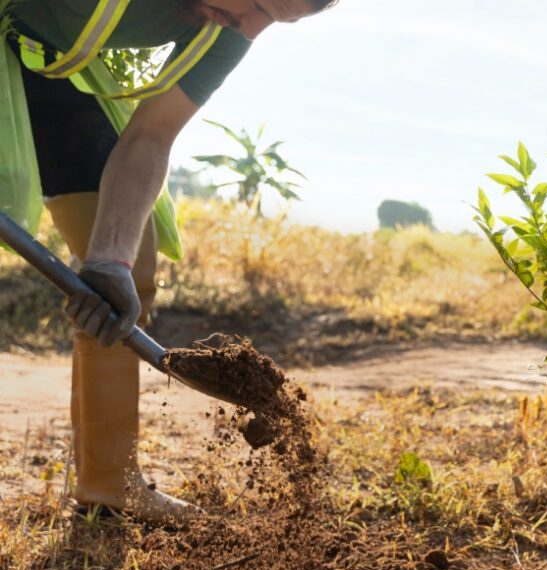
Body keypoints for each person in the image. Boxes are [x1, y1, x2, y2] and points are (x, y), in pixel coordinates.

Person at [1, 0, 332, 527]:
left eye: (276, 20)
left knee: (129, 262)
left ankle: (109, 489)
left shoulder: (228, 28)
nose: (253, 28)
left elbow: (151, 135)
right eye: (260, 5)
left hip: (54, 71)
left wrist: (109, 260)